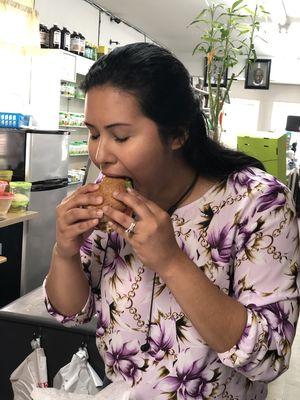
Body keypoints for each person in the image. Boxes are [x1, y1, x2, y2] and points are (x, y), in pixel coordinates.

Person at [44, 43, 300, 399]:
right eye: (94, 134)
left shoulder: (258, 204)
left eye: (120, 136)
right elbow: (71, 314)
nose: (101, 155)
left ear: (178, 134)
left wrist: (171, 260)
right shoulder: (109, 196)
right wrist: (65, 251)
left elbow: (268, 358)